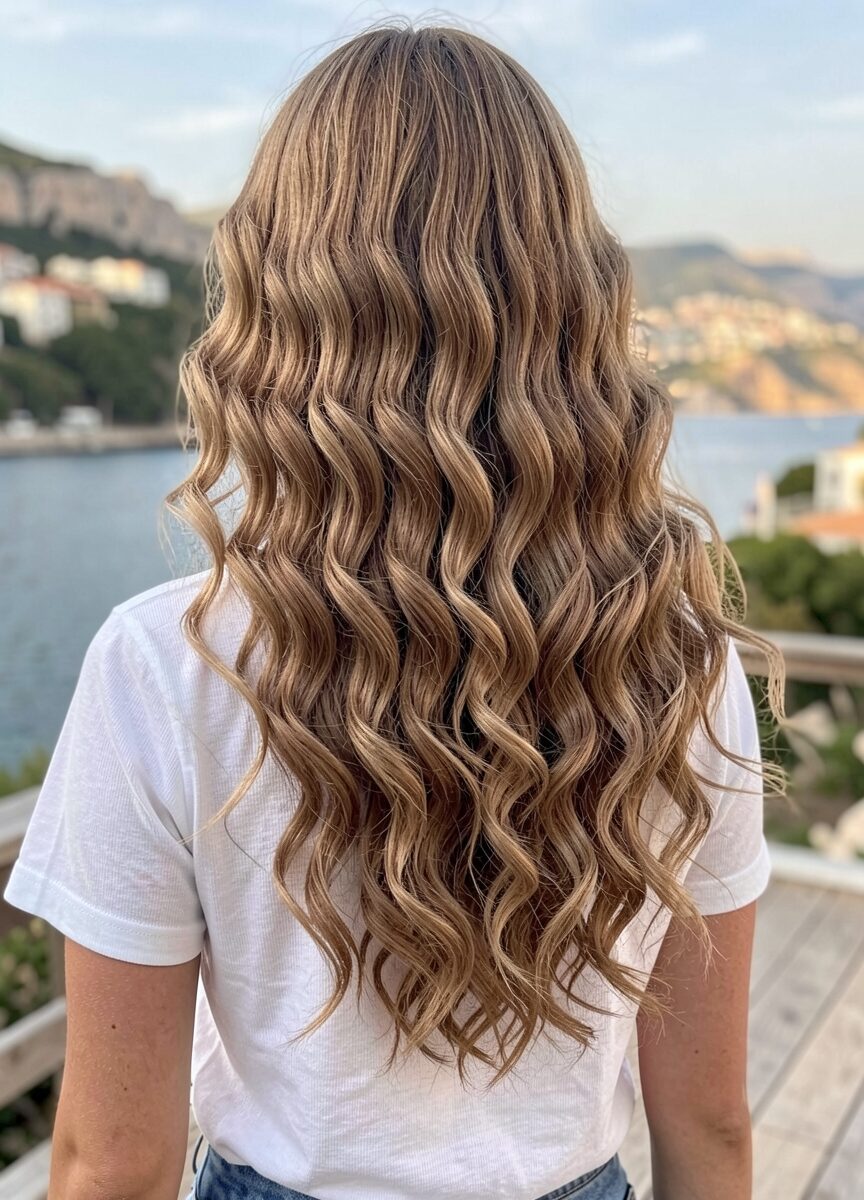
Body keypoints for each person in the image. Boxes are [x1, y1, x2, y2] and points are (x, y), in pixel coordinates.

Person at [4, 21, 785, 1200]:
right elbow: (711, 1128)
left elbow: (112, 1163)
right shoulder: (677, 662)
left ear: (275, 303)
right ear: (571, 299)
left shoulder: (167, 665)